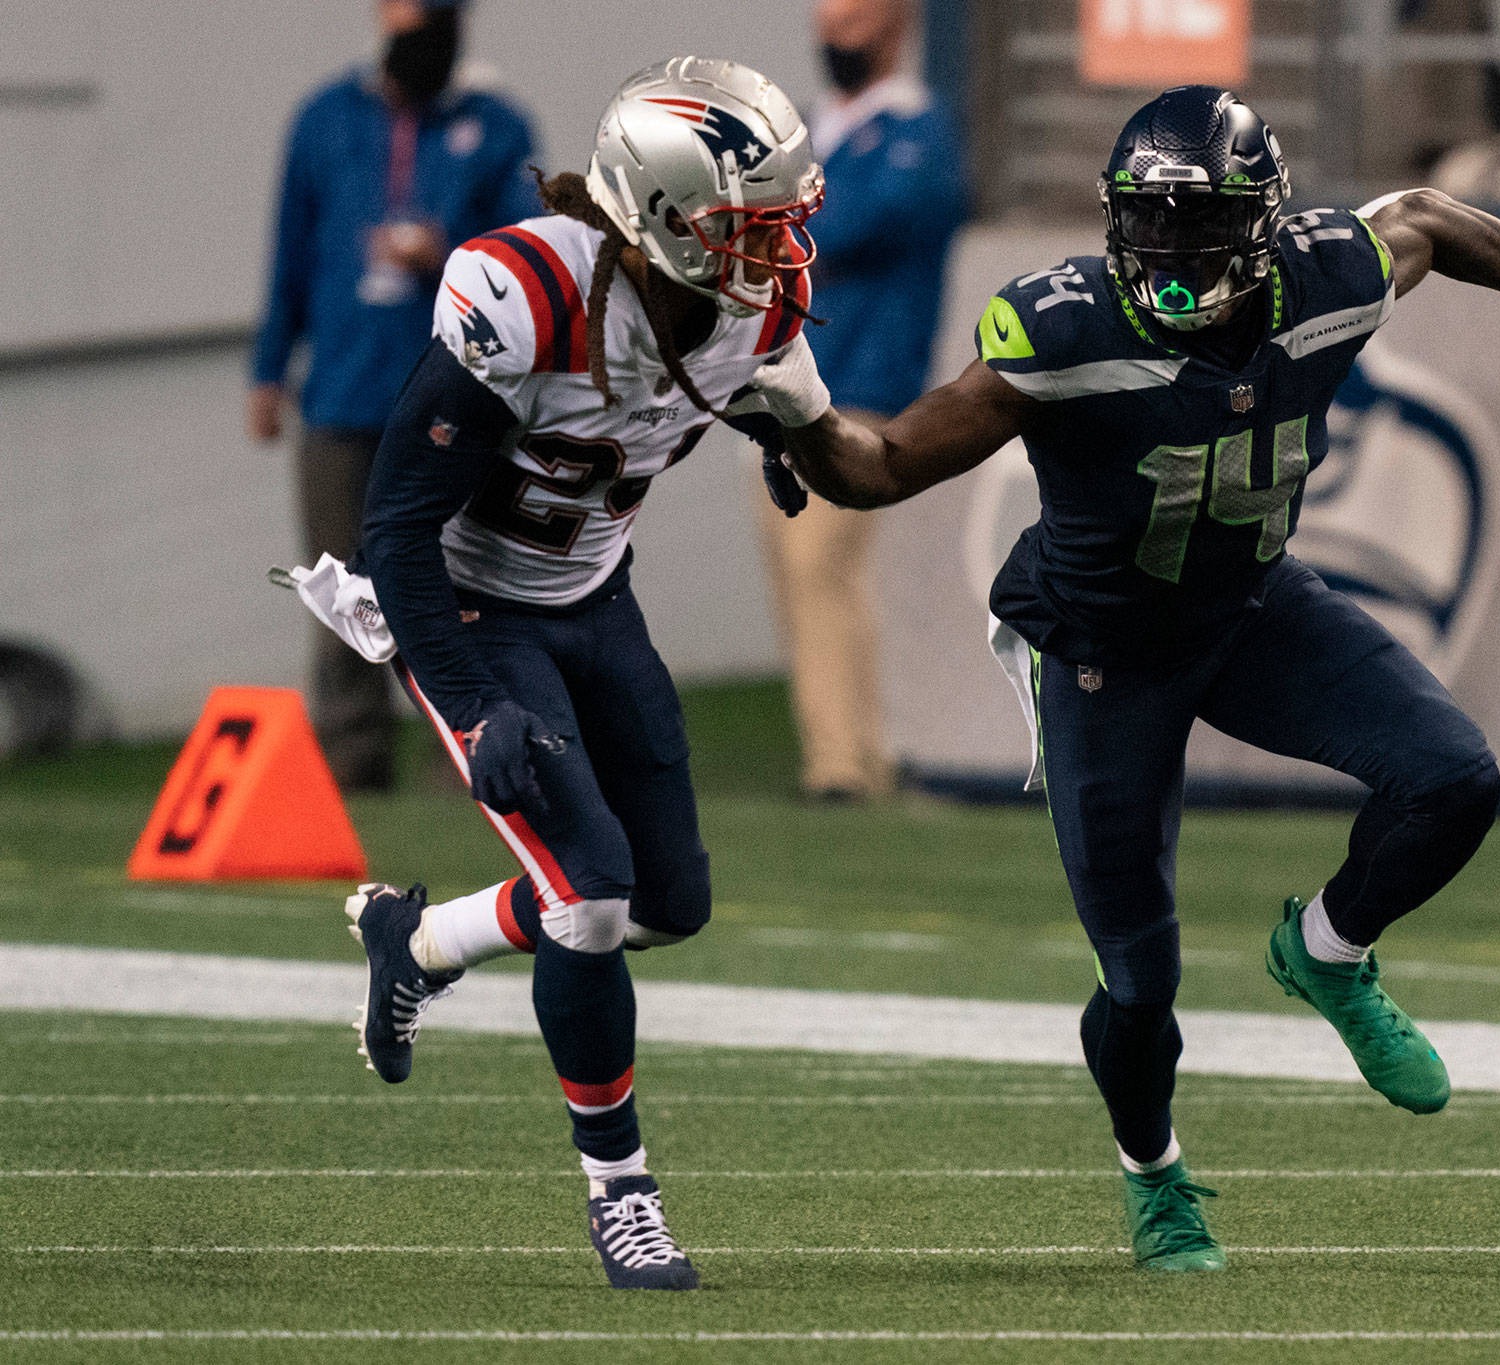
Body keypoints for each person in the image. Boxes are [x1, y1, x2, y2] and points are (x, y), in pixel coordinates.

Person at [735, 85, 1500, 1273]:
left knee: (1452, 778)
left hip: (1251, 608)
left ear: (1260, 226)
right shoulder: (1062, 329)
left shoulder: (1325, 276)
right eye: (1148, 225)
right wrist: (797, 416)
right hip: (1103, 655)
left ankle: (1330, 951)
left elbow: (1432, 220)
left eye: (1199, 232)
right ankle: (1155, 1181)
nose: (1171, 256)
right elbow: (884, 464)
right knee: (1140, 982)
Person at [348, 56, 821, 1291]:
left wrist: (781, 432)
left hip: (594, 600)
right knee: (594, 896)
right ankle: (621, 1195)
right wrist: (469, 697)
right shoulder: (529, 295)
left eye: (781, 222)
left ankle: (421, 939)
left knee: (669, 904)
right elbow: (393, 528)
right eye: (749, 226)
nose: (776, 252)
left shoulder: (751, 312)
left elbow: (740, 398)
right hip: (467, 609)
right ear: (661, 223)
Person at [249, 0, 541, 791]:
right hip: (342, 391)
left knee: (457, 585)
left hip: (454, 396)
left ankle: (470, 751)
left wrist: (446, 252)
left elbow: (532, 250)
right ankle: (350, 758)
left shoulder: (498, 125)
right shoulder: (324, 118)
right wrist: (268, 371)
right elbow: (291, 252)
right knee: (340, 585)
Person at [752, 0, 967, 801]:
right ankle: (855, 753)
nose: (836, 40)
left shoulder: (917, 132)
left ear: (895, 26)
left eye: (855, 23)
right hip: (782, 384)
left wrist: (772, 232)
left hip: (862, 387)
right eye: (828, 24)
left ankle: (841, 764)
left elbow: (836, 229)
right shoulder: (811, 128)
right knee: (802, 576)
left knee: (820, 567)